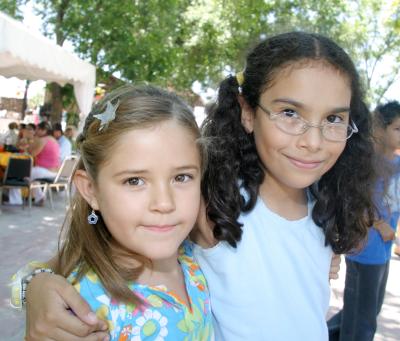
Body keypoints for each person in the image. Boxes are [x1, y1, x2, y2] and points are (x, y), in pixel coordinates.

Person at [22, 31, 375, 341]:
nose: (313, 141)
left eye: (333, 118)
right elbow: (74, 262)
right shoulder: (215, 201)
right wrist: (33, 287)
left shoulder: (327, 201)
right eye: (289, 113)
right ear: (248, 112)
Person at [24, 85, 213, 341]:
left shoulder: (193, 256)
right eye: (134, 181)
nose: (164, 203)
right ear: (91, 190)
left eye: (182, 177)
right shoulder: (84, 313)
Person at [327, 101, 400, 341]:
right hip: (365, 249)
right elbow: (353, 202)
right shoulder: (367, 165)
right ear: (379, 128)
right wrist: (379, 225)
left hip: (384, 250)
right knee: (361, 319)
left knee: (369, 309)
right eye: (397, 129)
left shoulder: (397, 164)